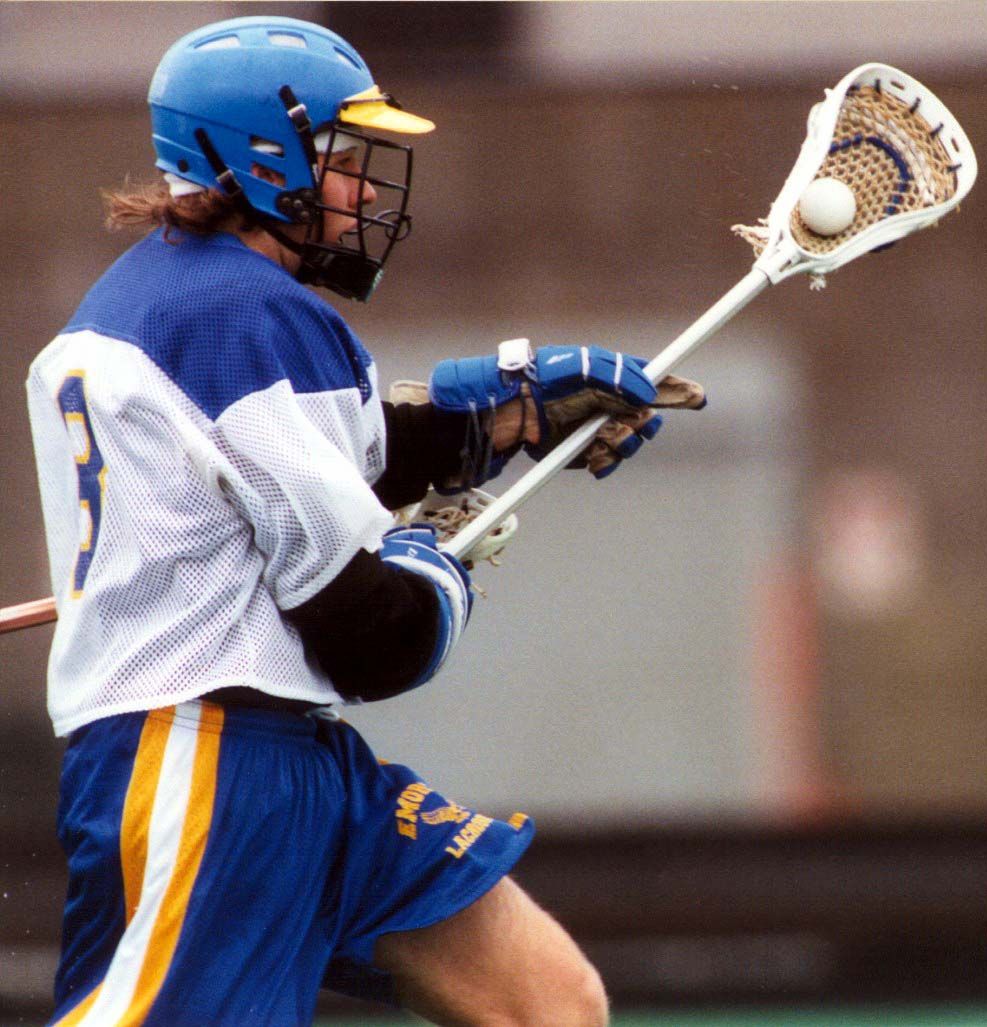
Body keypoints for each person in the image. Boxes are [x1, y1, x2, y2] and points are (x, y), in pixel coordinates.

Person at [26, 16, 705, 1027]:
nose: (365, 191)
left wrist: (506, 417)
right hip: (208, 761)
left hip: (287, 754)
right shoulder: (245, 312)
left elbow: (335, 459)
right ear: (264, 161)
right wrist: (434, 568)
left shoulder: (175, 299)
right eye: (343, 161)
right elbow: (372, 635)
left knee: (547, 1002)